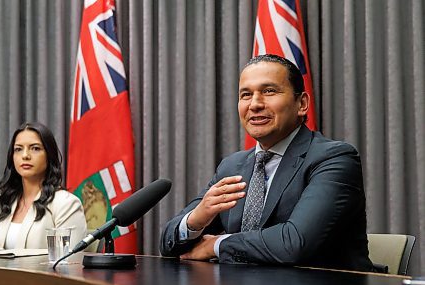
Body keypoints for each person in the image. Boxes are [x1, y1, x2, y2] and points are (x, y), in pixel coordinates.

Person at [160, 54, 374, 272]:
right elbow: (169, 244)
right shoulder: (232, 166)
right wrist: (195, 220)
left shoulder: (333, 158)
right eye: (246, 94)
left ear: (302, 104)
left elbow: (294, 243)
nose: (254, 104)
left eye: (269, 91)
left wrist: (216, 244)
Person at [0, 122, 87, 249]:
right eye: (18, 149)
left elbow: (68, 263)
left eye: (35, 148)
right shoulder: (2, 202)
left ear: (49, 156)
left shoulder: (66, 204)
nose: (25, 155)